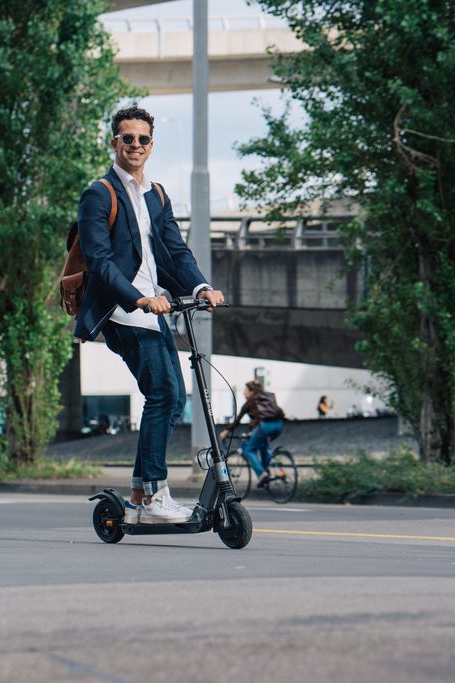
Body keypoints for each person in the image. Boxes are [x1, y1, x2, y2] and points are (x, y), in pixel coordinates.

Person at [75, 106, 225, 524]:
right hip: (123, 313)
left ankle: (142, 492)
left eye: (142, 140)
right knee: (164, 394)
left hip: (153, 310)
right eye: (127, 138)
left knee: (171, 397)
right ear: (114, 143)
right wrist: (138, 298)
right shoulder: (99, 194)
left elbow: (175, 251)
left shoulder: (156, 195)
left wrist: (200, 287)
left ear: (151, 145)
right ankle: (155, 496)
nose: (135, 146)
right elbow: (99, 261)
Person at [219, 381, 285, 486]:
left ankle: (262, 474)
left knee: (249, 449)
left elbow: (237, 420)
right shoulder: (269, 397)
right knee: (263, 445)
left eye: (245, 391)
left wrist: (226, 431)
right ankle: (268, 470)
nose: (244, 393)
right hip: (279, 424)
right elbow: (265, 414)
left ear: (252, 391)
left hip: (264, 426)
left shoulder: (250, 402)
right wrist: (254, 430)